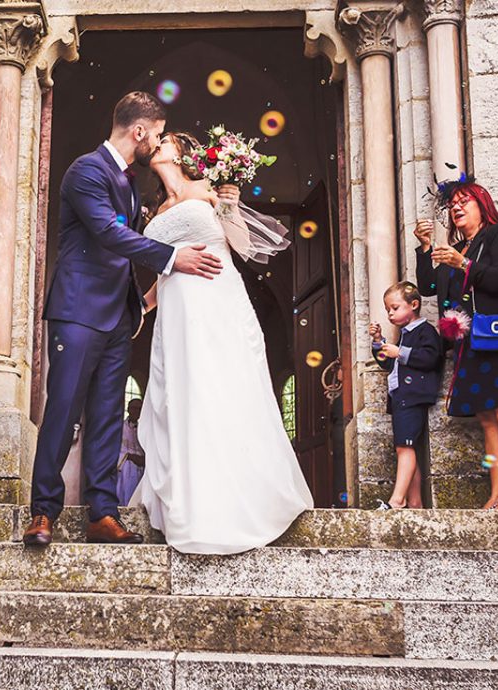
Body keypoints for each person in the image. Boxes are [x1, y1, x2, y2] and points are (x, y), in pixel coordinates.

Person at [23, 93, 224, 547]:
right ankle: (42, 511)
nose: (157, 140)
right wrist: (173, 258)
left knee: (109, 416)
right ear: (139, 132)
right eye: (156, 133)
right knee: (63, 411)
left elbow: (131, 239)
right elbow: (110, 234)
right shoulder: (86, 170)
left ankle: (103, 513)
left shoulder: (130, 181)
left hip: (118, 317)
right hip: (78, 311)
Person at [128, 130, 311, 554]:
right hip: (175, 316)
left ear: (184, 153)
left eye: (167, 139)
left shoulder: (208, 189)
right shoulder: (155, 208)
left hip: (216, 303)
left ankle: (233, 502)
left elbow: (242, 247)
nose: (157, 143)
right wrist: (141, 308)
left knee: (220, 391)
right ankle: (189, 499)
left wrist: (229, 202)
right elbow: (164, 268)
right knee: (179, 397)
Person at [413, 181, 498, 509]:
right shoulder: (459, 250)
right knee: (488, 417)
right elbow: (429, 286)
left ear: (483, 205)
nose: (457, 207)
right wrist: (425, 248)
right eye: (452, 205)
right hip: (470, 344)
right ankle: (496, 493)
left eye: (465, 201)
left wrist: (463, 265)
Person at [370, 281, 443, 510]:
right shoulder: (404, 335)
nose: (390, 313)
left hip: (414, 396)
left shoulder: (426, 331)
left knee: (406, 447)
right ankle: (415, 503)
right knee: (405, 447)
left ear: (414, 305)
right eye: (387, 310)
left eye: (395, 307)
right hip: (401, 396)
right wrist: (378, 343)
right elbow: (389, 364)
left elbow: (431, 358)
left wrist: (400, 352)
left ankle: (397, 500)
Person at [116, 399, 145, 505]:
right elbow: (117, 449)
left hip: (143, 467)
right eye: (134, 408)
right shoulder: (120, 428)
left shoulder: (145, 428)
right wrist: (129, 456)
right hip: (124, 467)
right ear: (128, 409)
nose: (136, 411)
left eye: (139, 409)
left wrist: (144, 459)